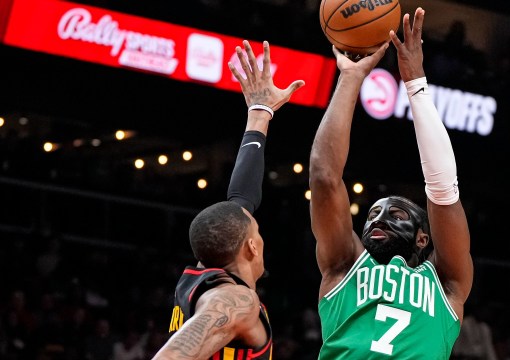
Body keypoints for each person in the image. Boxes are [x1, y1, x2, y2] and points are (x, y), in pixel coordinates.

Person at [309, 7, 473, 359]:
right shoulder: (344, 266)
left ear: (422, 237)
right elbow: (324, 178)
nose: (378, 219)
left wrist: (415, 83)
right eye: (372, 214)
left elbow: (443, 190)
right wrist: (350, 77)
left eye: (395, 213)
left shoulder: (447, 283)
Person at [152, 40, 304, 360]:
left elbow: (241, 200)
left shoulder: (198, 273)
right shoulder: (237, 301)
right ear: (250, 247)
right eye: (257, 232)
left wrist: (260, 112)